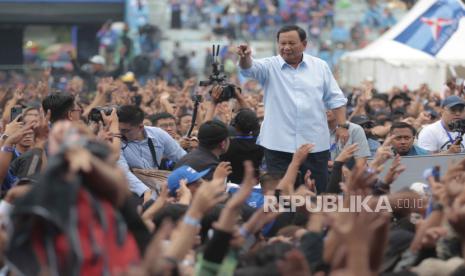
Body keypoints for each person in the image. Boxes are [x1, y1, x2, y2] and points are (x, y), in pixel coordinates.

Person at [237, 25, 348, 191]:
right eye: (282, 43)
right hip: (278, 147)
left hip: (314, 146)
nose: (286, 47)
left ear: (304, 44)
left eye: (291, 43)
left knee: (317, 194)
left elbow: (336, 98)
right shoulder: (269, 66)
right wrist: (245, 57)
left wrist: (342, 126)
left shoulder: (320, 66)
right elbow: (248, 68)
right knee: (282, 198)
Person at [117, 105, 186, 203]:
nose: (120, 133)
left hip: (157, 186)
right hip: (131, 191)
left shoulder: (157, 134)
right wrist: (145, 191)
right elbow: (123, 172)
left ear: (140, 127)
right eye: (118, 129)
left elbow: (182, 157)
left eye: (125, 130)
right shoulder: (116, 140)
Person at [221, 108, 264, 184]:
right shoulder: (261, 144)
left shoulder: (228, 145)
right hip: (255, 186)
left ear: (236, 126)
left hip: (233, 187)